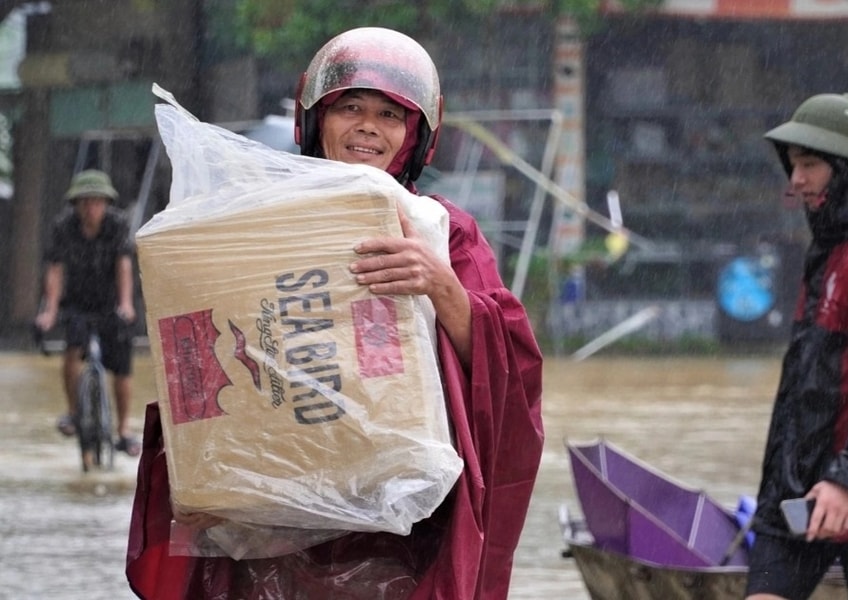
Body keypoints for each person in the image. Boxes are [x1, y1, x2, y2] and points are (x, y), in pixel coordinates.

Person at [125, 27, 544, 599]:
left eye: (391, 115)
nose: (369, 126)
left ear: (415, 136)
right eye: (350, 107)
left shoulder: (443, 232)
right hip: (268, 521)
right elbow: (198, 351)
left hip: (398, 539)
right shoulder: (252, 220)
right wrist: (203, 468)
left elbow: (511, 381)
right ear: (316, 119)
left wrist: (441, 286)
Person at [744, 93, 848, 600]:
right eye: (793, 167)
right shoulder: (826, 251)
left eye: (809, 165)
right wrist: (776, 489)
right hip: (797, 496)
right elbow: (802, 389)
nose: (796, 181)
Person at [34, 169, 140, 457]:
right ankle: (72, 412)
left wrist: (126, 303)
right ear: (77, 204)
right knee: (71, 354)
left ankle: (123, 430)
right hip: (77, 302)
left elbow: (124, 265)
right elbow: (55, 269)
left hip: (112, 302)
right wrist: (51, 311)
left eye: (97, 201)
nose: (91, 208)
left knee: (122, 365)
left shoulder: (118, 225)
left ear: (106, 203)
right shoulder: (63, 227)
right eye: (85, 202)